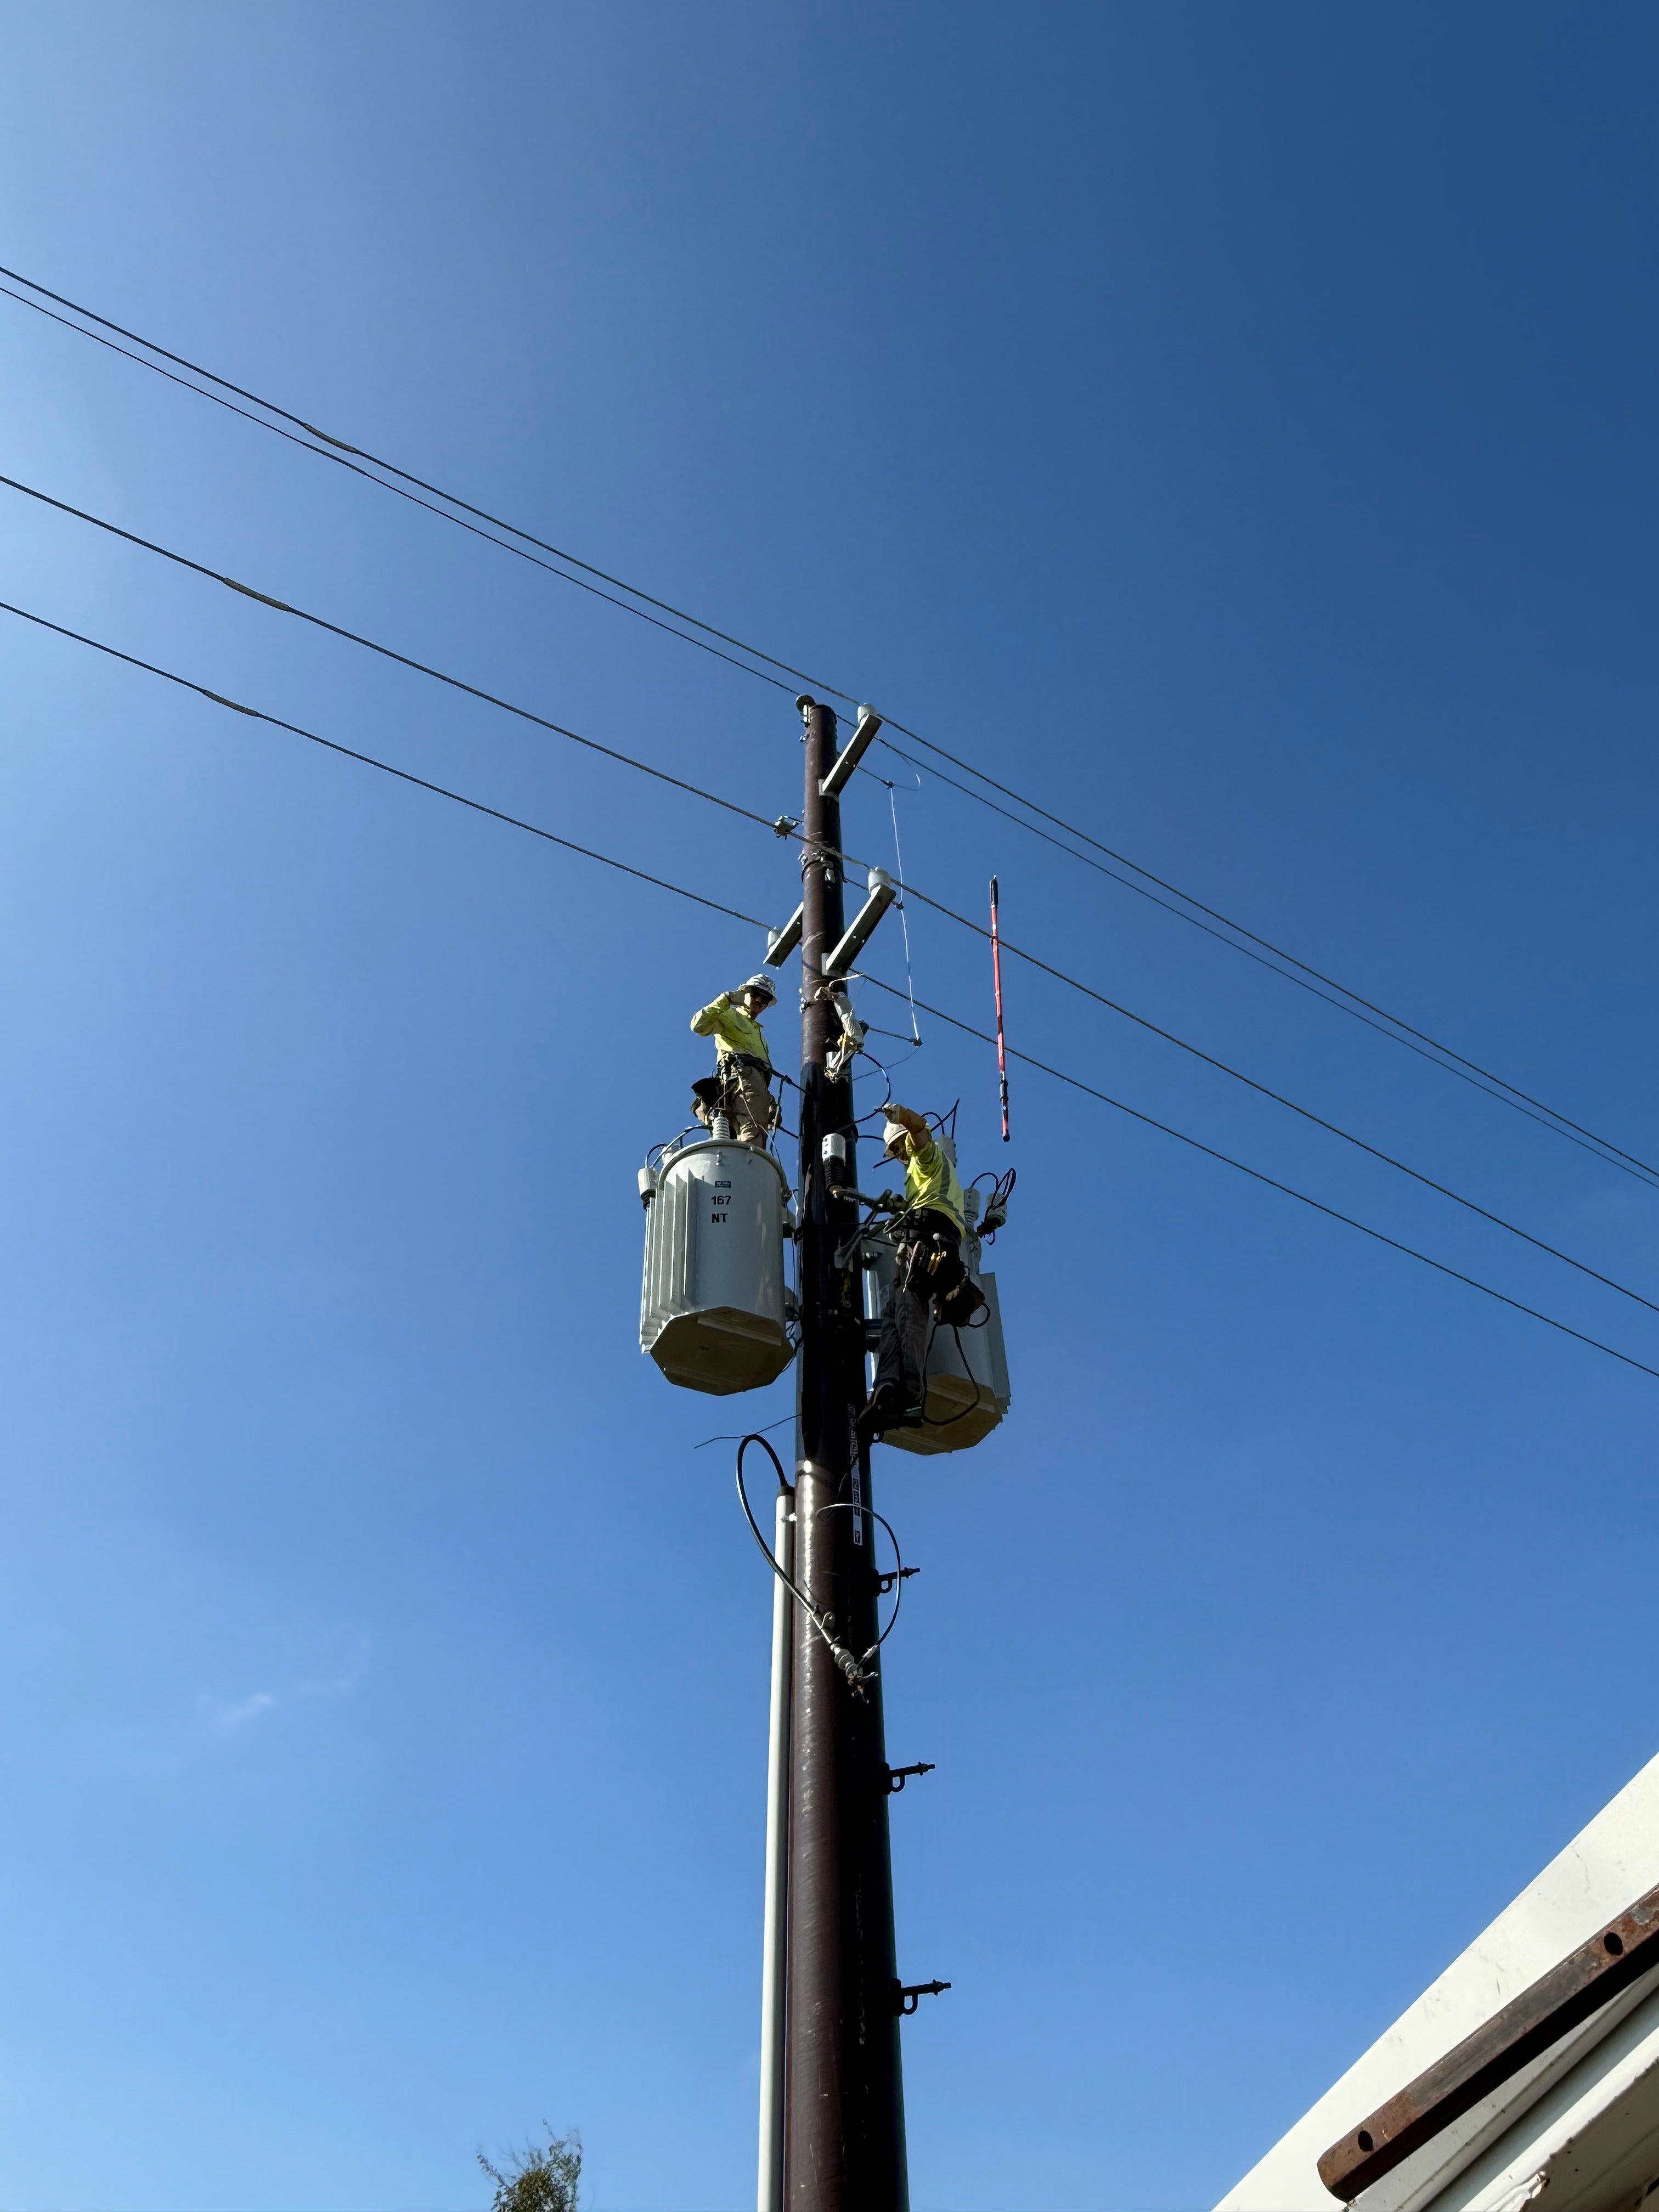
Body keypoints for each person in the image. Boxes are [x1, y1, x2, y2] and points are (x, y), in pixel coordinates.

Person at [856, 1105, 983, 1447]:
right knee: (892, 1318)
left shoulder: (929, 1159)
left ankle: (910, 1395)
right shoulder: (917, 1178)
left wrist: (903, 1117)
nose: (898, 1154)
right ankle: (888, 1386)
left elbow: (919, 1132)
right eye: (894, 1151)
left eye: (898, 1147)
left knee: (909, 1313)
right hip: (918, 1239)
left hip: (929, 1238)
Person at [690, 974, 780, 1144]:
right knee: (752, 1127)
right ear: (744, 994)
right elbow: (698, 1025)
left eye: (766, 999)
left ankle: (741, 1160)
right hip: (742, 1074)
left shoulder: (760, 1035)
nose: (760, 1001)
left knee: (740, 1130)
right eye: (755, 994)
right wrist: (727, 999)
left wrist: (769, 1100)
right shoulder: (730, 1016)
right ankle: (749, 1164)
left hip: (756, 1082)